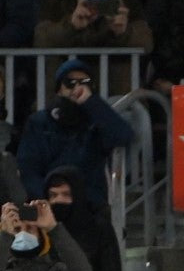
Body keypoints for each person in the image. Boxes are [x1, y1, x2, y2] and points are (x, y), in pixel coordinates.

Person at [33, 0, 154, 95]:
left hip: (118, 99)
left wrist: (123, 32)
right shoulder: (54, 6)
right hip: (66, 98)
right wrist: (71, 26)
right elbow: (41, 40)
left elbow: (147, 43)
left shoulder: (127, 6)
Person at [17, 59, 133, 207]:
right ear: (59, 89)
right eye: (69, 83)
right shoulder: (39, 122)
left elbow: (123, 135)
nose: (77, 88)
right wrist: (49, 199)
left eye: (85, 82)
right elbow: (28, 169)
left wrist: (91, 101)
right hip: (47, 204)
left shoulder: (97, 122)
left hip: (88, 206)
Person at [44, 165, 122, 271]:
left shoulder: (99, 228)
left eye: (66, 194)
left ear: (77, 194)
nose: (59, 200)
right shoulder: (42, 231)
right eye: (53, 195)